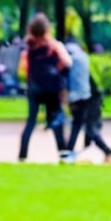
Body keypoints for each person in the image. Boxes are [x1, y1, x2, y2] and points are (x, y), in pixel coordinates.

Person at [18, 13, 74, 163]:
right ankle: (63, 153)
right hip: (52, 89)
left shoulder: (28, 47)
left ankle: (22, 155)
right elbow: (68, 62)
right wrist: (56, 68)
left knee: (31, 122)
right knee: (56, 121)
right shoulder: (54, 46)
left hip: (34, 88)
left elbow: (23, 68)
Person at [63, 37, 111, 163]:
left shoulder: (70, 59)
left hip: (86, 97)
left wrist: (70, 99)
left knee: (88, 129)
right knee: (80, 125)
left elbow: (71, 81)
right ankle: (69, 152)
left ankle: (108, 151)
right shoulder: (85, 57)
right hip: (93, 96)